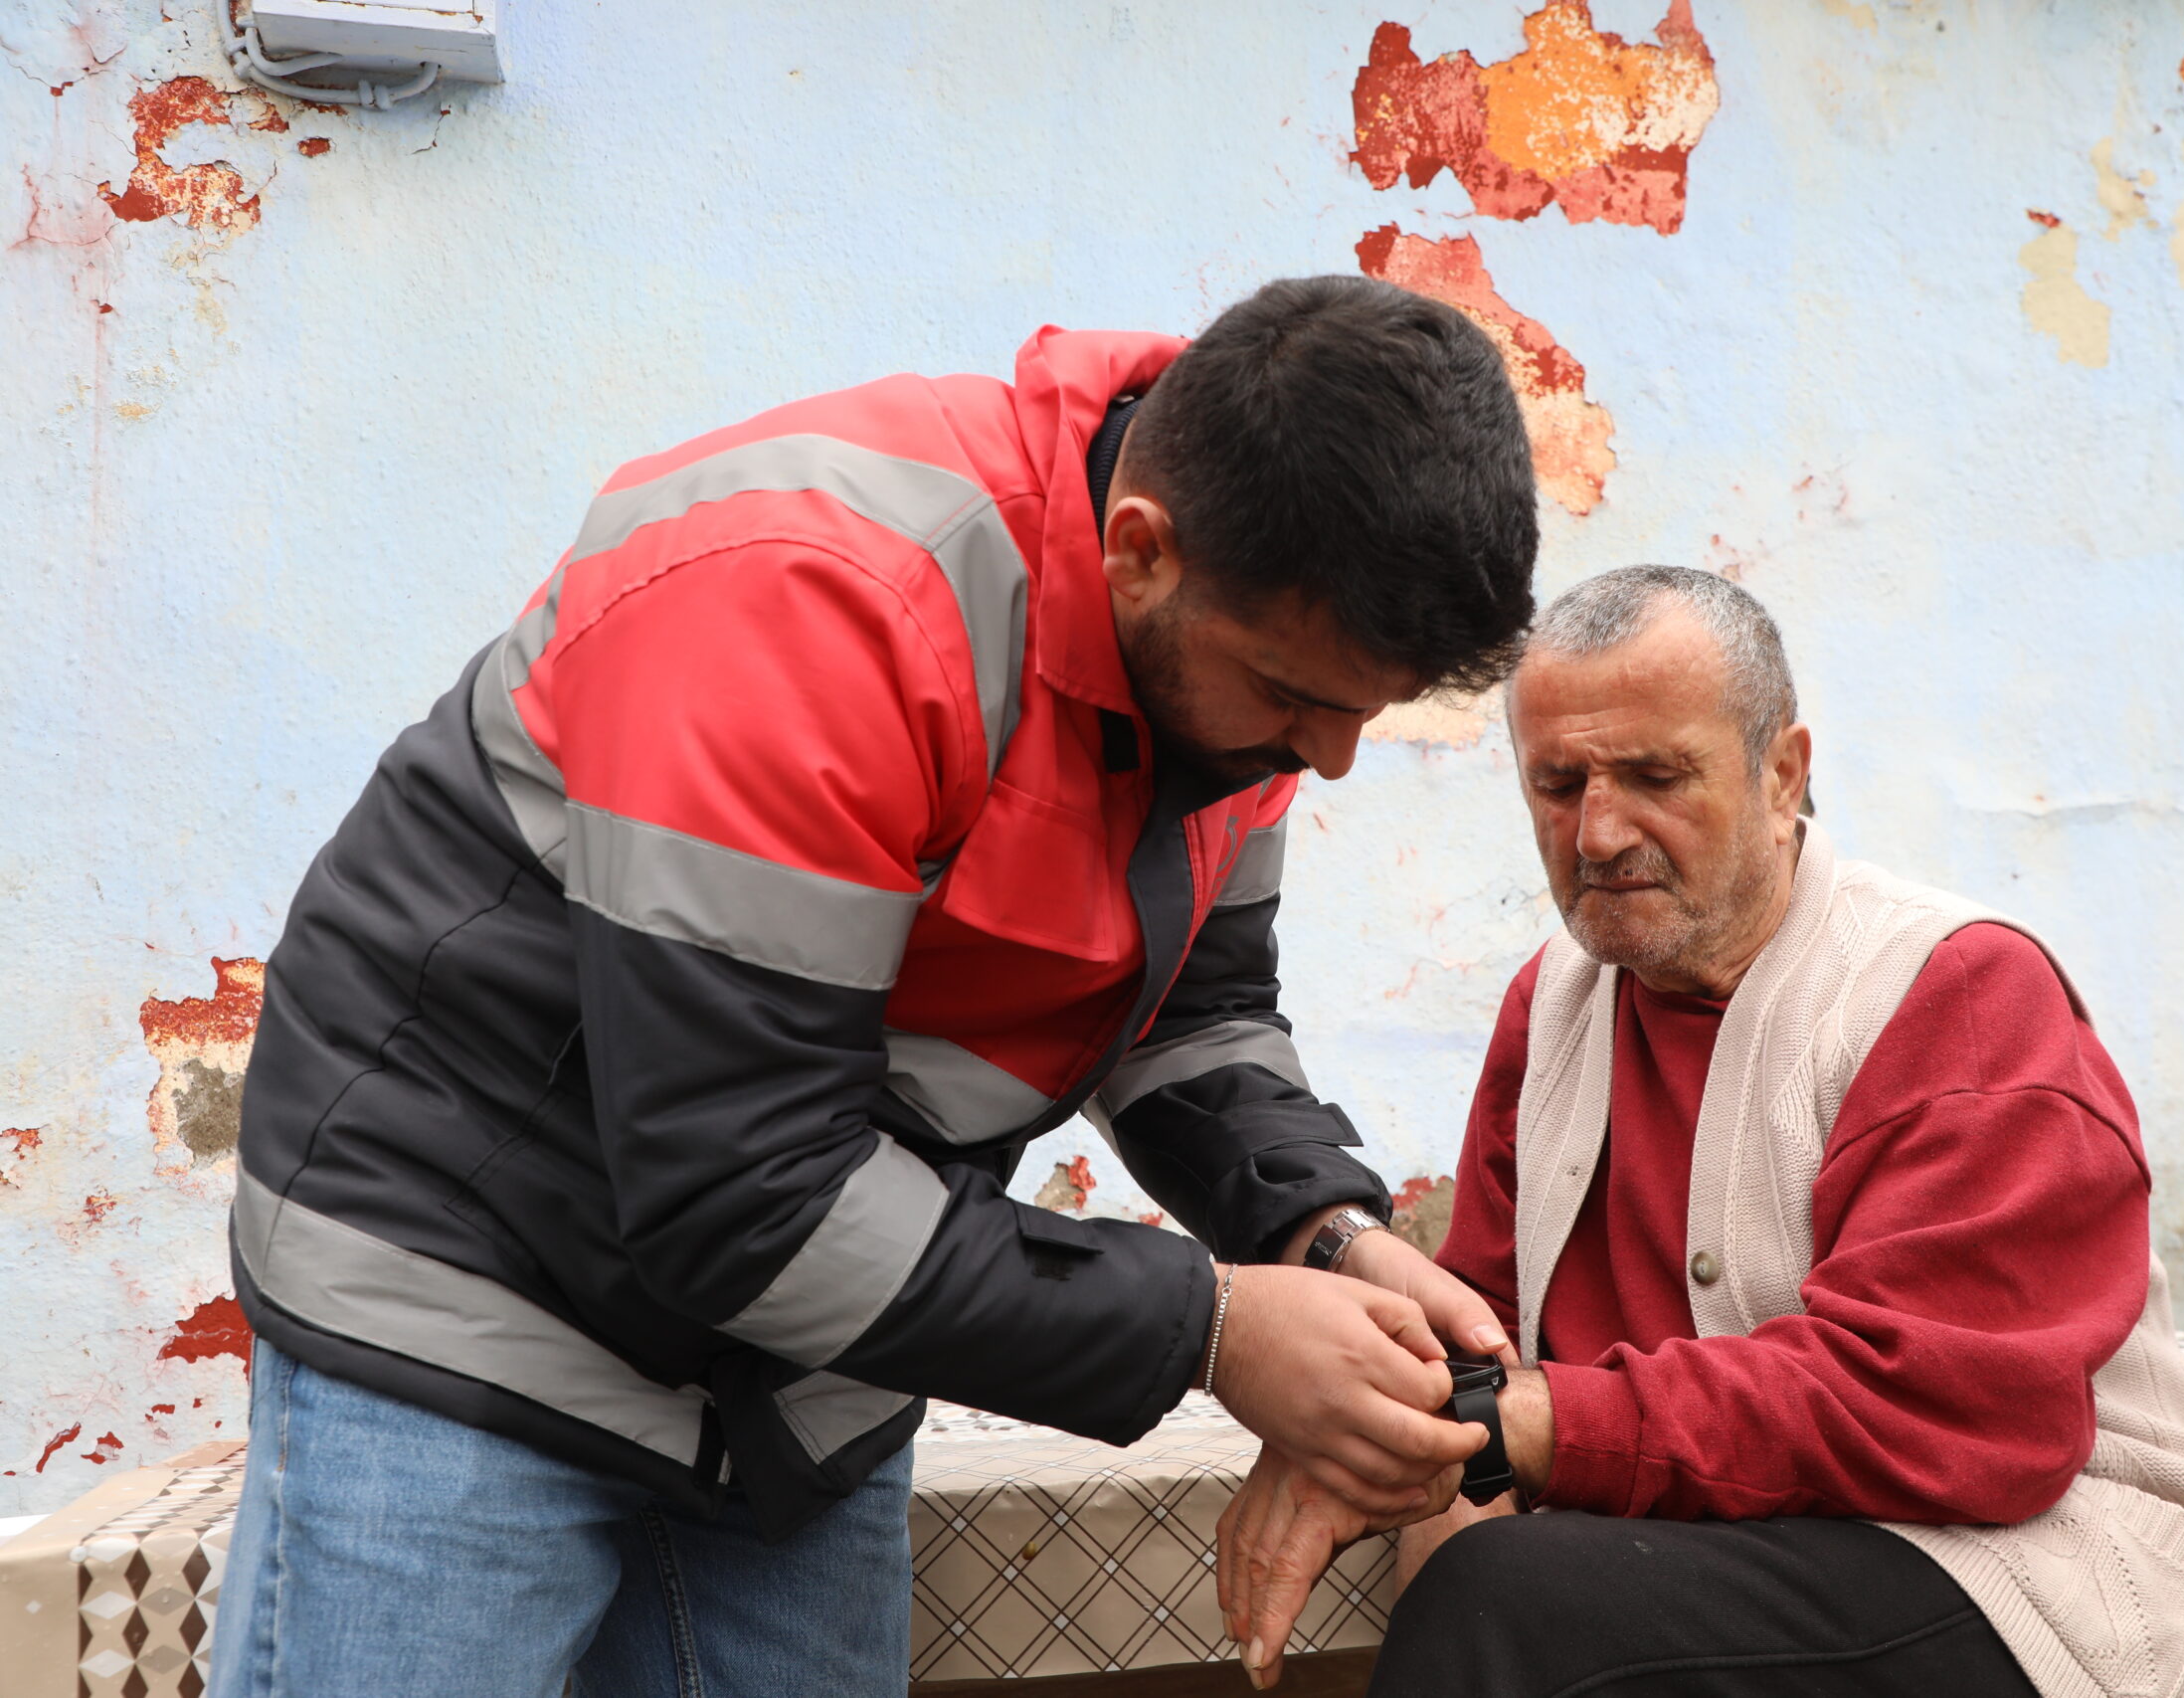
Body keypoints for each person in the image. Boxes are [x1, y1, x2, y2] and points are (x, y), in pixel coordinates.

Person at [210, 276, 1539, 1697]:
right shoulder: (820, 597)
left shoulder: (1232, 662)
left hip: (796, 1360)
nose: (1326, 757)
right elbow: (740, 1189)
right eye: (1297, 700)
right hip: (470, 1289)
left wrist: (1324, 1231)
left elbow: (1195, 1020)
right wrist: (1216, 1326)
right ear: (1141, 553)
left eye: (1362, 712)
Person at [1217, 566, 2184, 1697]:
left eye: (1652, 775)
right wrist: (1392, 1436)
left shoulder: (1957, 993)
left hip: (2036, 1579)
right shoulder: (1551, 1007)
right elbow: (1481, 1343)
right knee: (1486, 1585)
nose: (1595, 832)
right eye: (1556, 782)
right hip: (1725, 1549)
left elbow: (1941, 1413)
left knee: (1511, 1602)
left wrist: (1507, 1429)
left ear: (1782, 774)